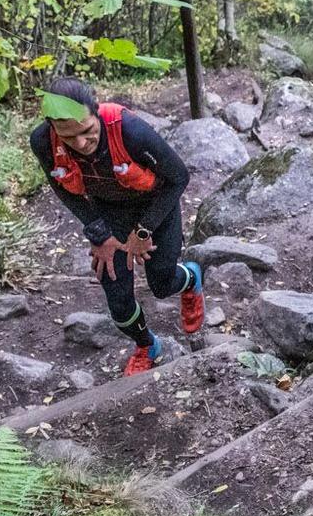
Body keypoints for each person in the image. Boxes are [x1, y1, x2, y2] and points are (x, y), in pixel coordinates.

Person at [29, 78, 203, 376]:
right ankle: (148, 345)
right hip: (109, 212)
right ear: (52, 127)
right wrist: (100, 234)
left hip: (155, 205)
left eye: (88, 131)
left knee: (162, 284)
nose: (82, 144)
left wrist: (144, 230)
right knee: (118, 301)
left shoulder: (129, 130)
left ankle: (190, 278)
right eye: (70, 137)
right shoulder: (43, 141)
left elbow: (178, 178)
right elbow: (62, 188)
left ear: (96, 112)